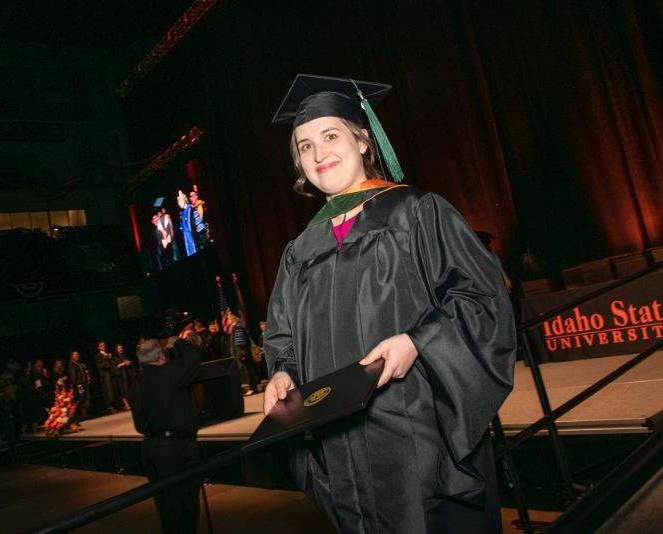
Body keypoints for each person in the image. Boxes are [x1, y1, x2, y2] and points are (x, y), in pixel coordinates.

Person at [264, 74, 516, 533]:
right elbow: (283, 335)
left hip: (414, 429)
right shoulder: (300, 250)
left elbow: (480, 296)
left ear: (363, 140)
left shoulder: (415, 212)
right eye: (304, 146)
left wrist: (418, 342)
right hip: (337, 443)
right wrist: (283, 372)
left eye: (331, 136)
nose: (318, 154)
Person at [130, 338, 202, 534]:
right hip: (176, 449)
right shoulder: (169, 373)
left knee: (166, 507)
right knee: (186, 507)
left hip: (151, 447)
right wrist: (177, 342)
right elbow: (194, 356)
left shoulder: (136, 384)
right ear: (161, 356)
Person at [68, 350, 91, 418]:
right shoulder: (72, 364)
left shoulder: (79, 363)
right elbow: (73, 375)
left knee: (85, 396)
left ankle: (86, 413)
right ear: (72, 356)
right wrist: (77, 383)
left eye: (77, 354)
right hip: (79, 385)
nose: (77, 355)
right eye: (75, 354)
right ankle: (83, 414)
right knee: (81, 397)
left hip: (83, 383)